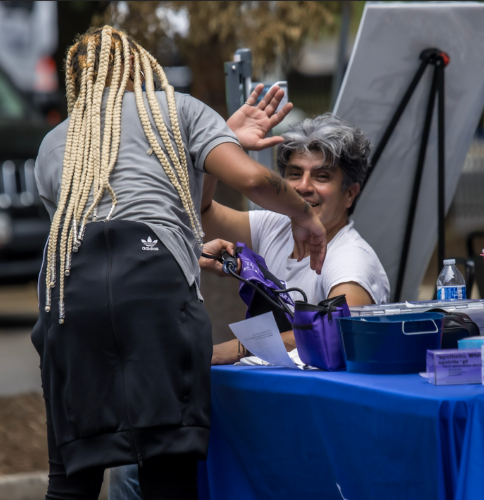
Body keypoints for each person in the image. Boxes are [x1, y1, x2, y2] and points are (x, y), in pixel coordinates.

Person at [31, 25, 327, 500]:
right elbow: (251, 179)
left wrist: (187, 250)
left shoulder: (55, 142)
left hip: (66, 301)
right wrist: (305, 214)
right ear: (138, 65)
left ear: (79, 80)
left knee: (70, 480)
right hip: (153, 294)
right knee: (167, 473)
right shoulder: (178, 109)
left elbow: (94, 242)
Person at [205, 113, 391, 364]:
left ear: (350, 194)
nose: (304, 186)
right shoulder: (274, 224)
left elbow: (337, 330)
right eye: (294, 173)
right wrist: (219, 143)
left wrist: (239, 348)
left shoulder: (351, 258)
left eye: (321, 176)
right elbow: (203, 211)